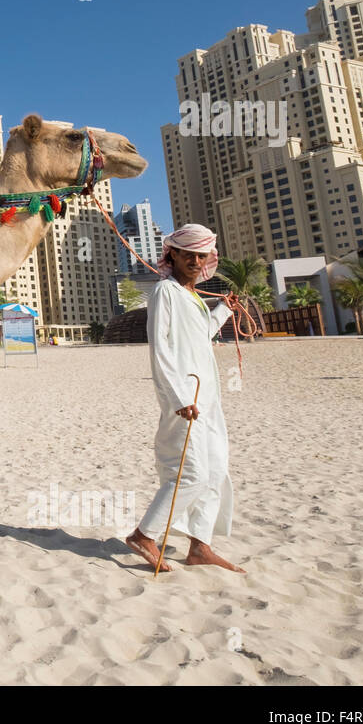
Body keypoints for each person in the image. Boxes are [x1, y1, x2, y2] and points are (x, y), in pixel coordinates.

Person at [124, 225, 245, 574]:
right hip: (183, 398)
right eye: (187, 253)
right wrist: (177, 397)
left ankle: (200, 546)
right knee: (189, 472)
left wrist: (222, 311)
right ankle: (144, 535)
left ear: (209, 258)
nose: (194, 260)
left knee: (215, 470)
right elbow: (161, 347)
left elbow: (196, 337)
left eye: (201, 255)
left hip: (207, 399)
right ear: (172, 254)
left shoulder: (190, 295)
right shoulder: (165, 291)